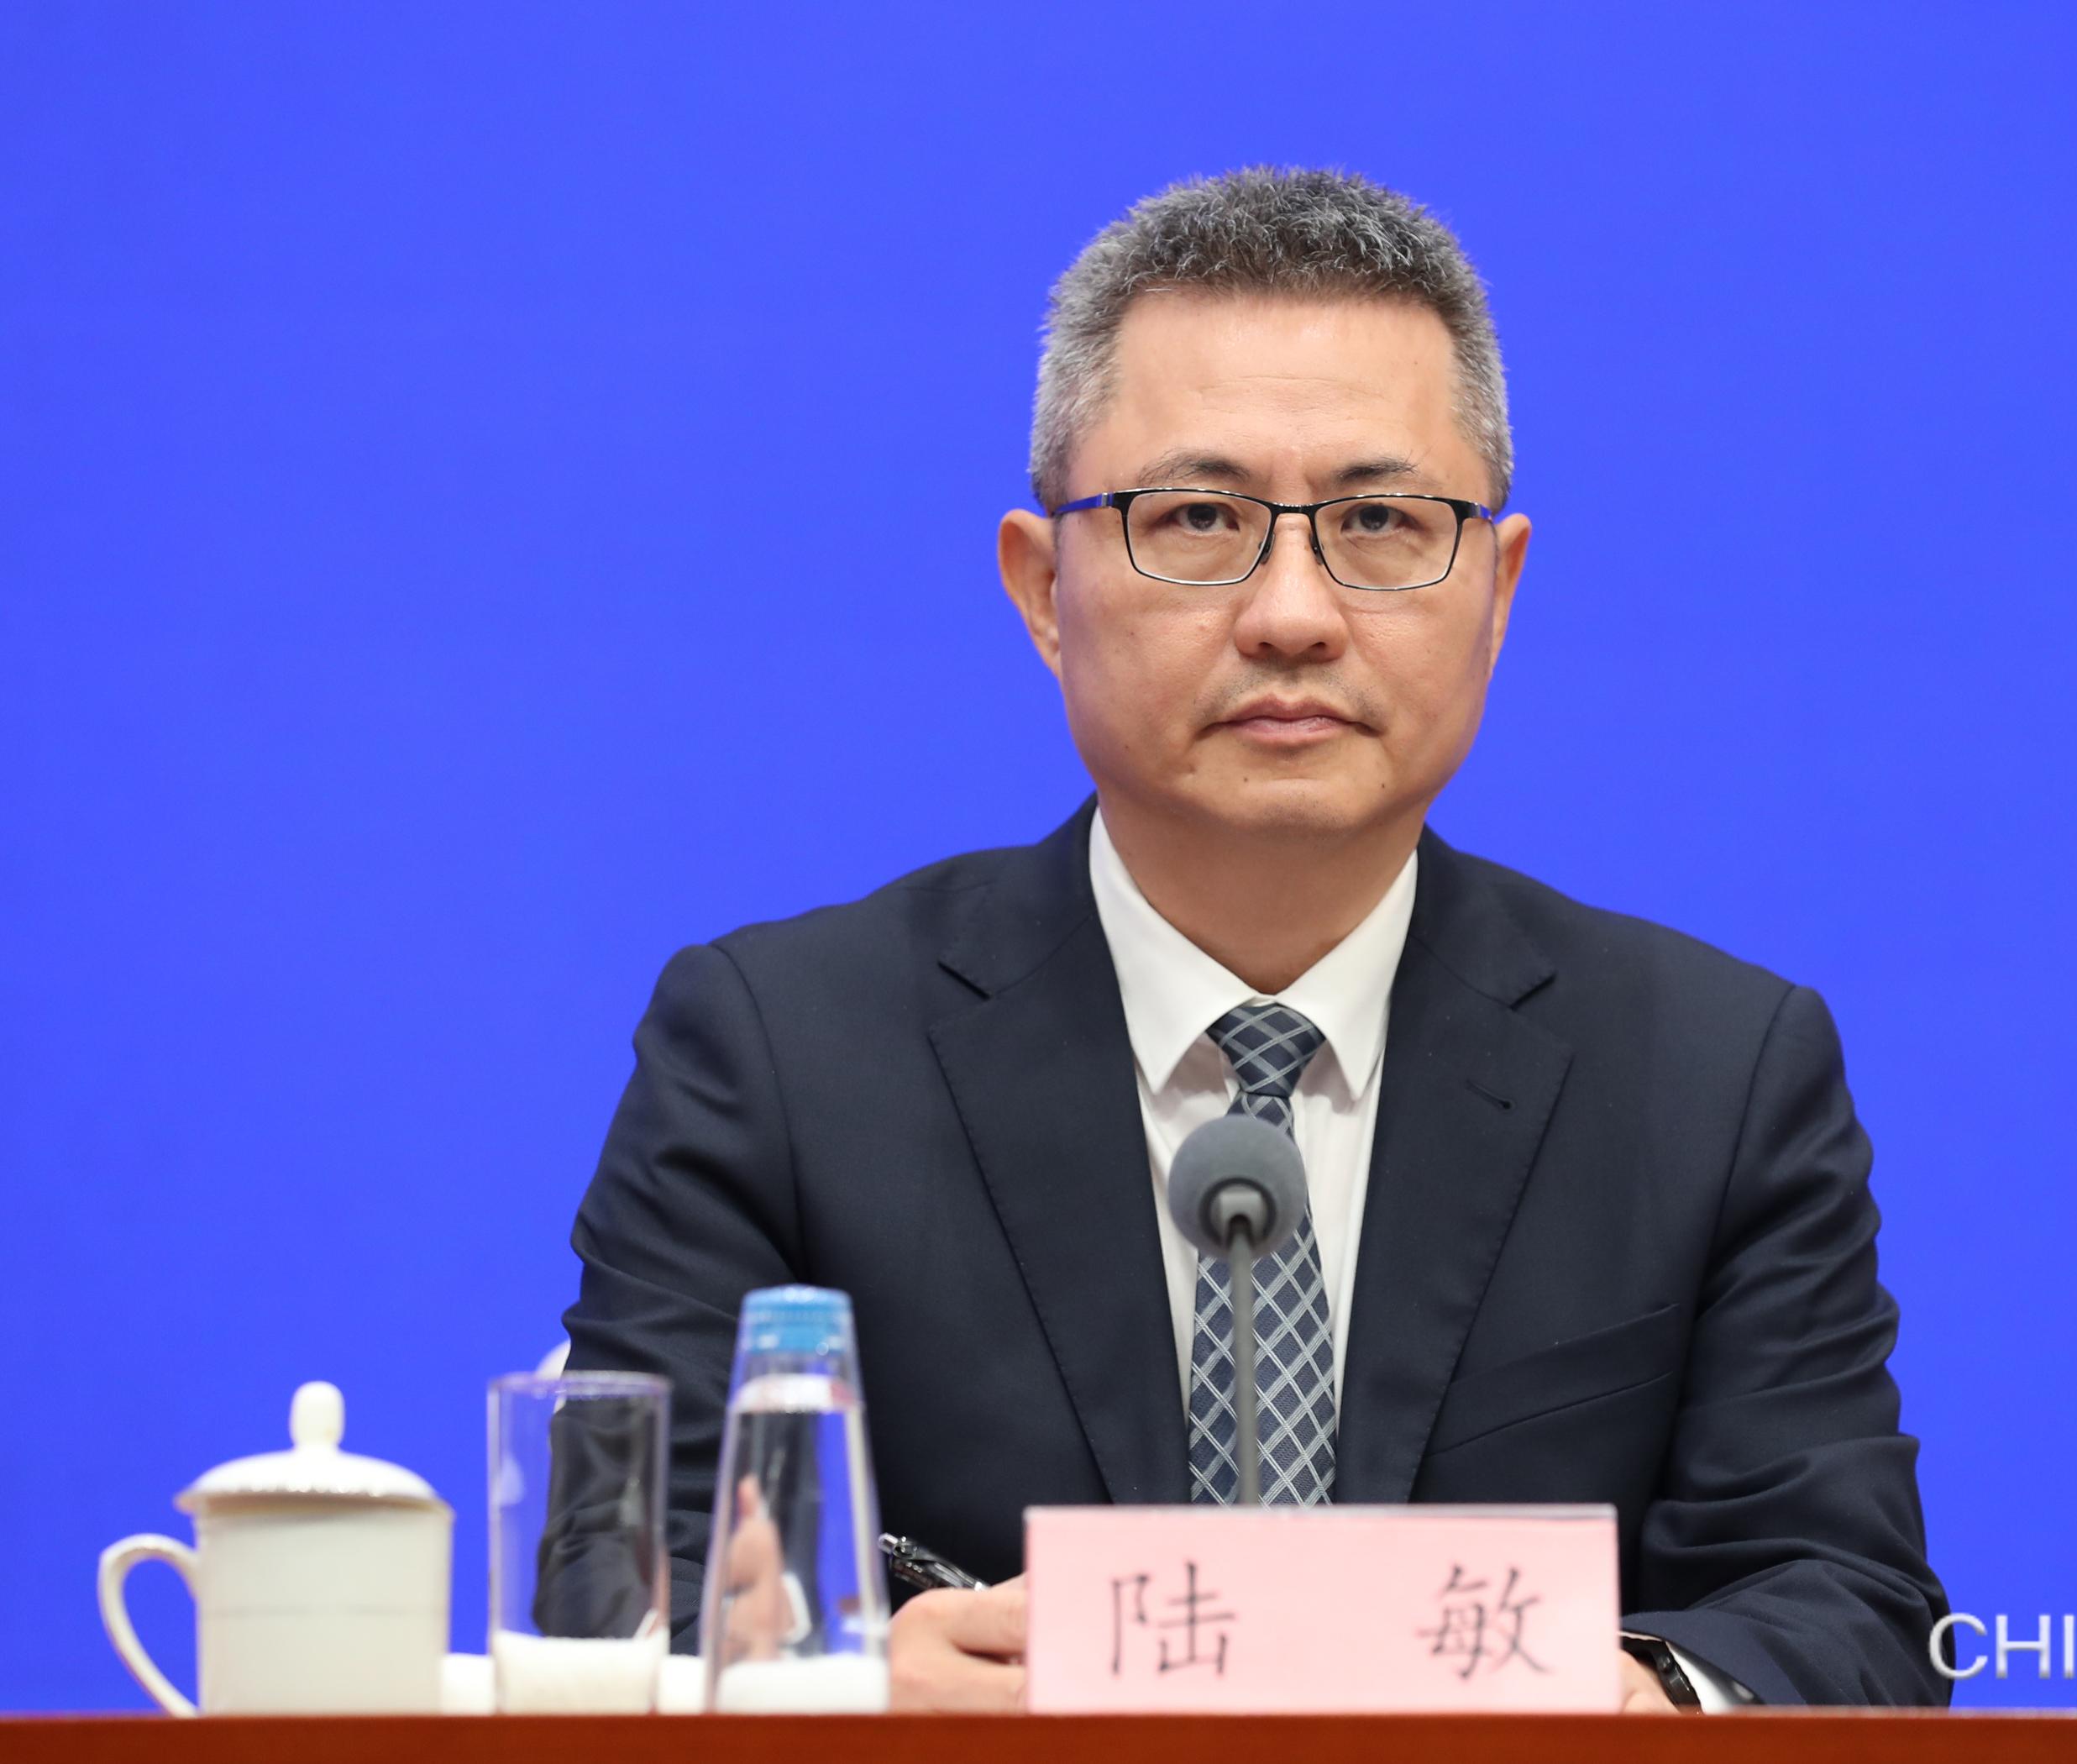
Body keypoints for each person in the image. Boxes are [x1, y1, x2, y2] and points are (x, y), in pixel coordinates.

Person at [563, 166, 1946, 1713]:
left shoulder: (1712, 1077)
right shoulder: (778, 1055)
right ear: (1042, 588)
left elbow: (1845, 1601)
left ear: (1498, 588)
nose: (1293, 612)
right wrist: (843, 1691)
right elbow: (615, 1585)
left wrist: (1655, 1700)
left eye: (1381, 522)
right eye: (1201, 519)